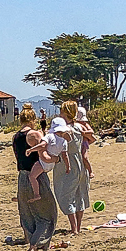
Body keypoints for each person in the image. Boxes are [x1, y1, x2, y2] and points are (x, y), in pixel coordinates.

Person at [12, 103, 58, 251]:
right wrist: (57, 160)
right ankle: (32, 249)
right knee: (47, 216)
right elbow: (44, 156)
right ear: (33, 119)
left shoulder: (16, 136)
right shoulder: (34, 135)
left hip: (22, 178)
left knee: (29, 217)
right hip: (36, 177)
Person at [52, 100, 90, 235]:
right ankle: (78, 227)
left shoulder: (65, 130)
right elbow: (90, 136)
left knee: (65, 194)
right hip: (79, 162)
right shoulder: (79, 127)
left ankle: (74, 228)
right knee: (80, 194)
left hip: (67, 162)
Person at [24, 117, 71, 203]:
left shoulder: (50, 136)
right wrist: (68, 167)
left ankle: (36, 194)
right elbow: (65, 155)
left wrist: (31, 150)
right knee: (37, 175)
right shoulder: (64, 141)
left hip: (44, 161)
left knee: (32, 176)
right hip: (52, 164)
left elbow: (42, 145)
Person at [75, 107, 96, 178]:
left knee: (84, 157)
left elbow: (91, 131)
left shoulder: (85, 124)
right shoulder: (75, 124)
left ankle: (90, 171)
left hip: (84, 142)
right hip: (78, 142)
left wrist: (84, 132)